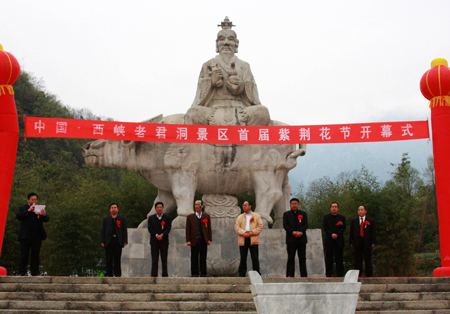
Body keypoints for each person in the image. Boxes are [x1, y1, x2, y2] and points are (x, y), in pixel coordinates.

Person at [185, 17, 270, 126]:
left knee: (262, 112)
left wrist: (242, 86)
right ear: (217, 44)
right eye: (222, 39)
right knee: (192, 113)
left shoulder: (244, 66)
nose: (226, 43)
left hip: (240, 111)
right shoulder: (208, 65)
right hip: (213, 109)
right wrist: (210, 83)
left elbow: (254, 99)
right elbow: (198, 100)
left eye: (230, 39)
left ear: (236, 44)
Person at [16, 192, 49, 276]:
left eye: (35, 199)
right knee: (24, 254)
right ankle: (22, 272)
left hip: (37, 235)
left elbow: (46, 219)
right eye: (32, 199)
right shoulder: (23, 208)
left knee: (35, 254)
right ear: (28, 200)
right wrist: (28, 210)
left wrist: (44, 215)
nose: (34, 201)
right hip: (25, 235)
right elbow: (19, 216)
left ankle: (35, 272)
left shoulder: (39, 208)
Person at [234, 200, 263, 277]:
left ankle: (257, 273)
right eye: (243, 205)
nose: (244, 206)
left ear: (250, 206)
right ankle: (242, 273)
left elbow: (260, 227)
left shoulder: (256, 216)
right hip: (243, 238)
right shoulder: (240, 217)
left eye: (245, 205)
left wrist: (252, 233)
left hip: (253, 238)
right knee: (243, 257)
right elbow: (237, 227)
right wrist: (244, 233)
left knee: (255, 257)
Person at [100, 203, 128, 277]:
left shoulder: (122, 219)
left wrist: (125, 240)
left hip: (118, 241)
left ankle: (117, 274)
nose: (113, 209)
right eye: (112, 208)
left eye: (115, 207)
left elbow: (124, 230)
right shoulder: (106, 219)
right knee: (108, 258)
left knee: (117, 258)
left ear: (117, 209)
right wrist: (102, 241)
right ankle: (109, 273)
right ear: (110, 210)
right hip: (109, 241)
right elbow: (103, 231)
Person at [186, 200, 212, 277]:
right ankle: (194, 273)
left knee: (203, 257)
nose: (197, 206)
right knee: (194, 257)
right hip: (194, 239)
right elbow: (188, 229)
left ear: (202, 206)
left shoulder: (206, 216)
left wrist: (209, 239)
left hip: (203, 239)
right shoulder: (190, 217)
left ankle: (203, 273)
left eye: (198, 204)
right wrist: (188, 240)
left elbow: (209, 229)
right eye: (195, 204)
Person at [283, 198, 308, 277]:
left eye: (296, 203)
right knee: (291, 257)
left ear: (298, 204)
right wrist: (292, 232)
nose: (294, 205)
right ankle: (290, 274)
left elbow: (305, 224)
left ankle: (303, 275)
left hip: (301, 239)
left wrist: (301, 232)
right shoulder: (286, 214)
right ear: (290, 205)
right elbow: (285, 225)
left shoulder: (303, 214)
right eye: (292, 203)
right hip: (291, 239)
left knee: (302, 258)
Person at [349, 205, 376, 277]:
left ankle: (369, 274)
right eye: (359, 210)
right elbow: (351, 232)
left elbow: (373, 232)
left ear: (365, 211)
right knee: (357, 259)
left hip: (367, 242)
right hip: (357, 242)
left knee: (368, 259)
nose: (360, 211)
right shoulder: (354, 221)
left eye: (362, 210)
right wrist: (351, 242)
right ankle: (357, 275)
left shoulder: (370, 221)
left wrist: (373, 242)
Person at [148, 202, 172, 277]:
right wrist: (156, 235)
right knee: (154, 259)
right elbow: (150, 228)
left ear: (163, 208)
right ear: (155, 209)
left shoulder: (167, 218)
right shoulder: (151, 218)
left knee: (164, 258)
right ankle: (154, 275)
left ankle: (165, 274)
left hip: (164, 240)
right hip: (154, 241)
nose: (159, 209)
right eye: (158, 207)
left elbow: (168, 228)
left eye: (161, 207)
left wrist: (162, 235)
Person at [322, 202, 346, 277]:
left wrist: (337, 234)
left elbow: (343, 228)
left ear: (338, 208)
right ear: (330, 208)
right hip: (329, 240)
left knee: (339, 258)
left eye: (335, 207)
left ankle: (340, 274)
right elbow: (325, 227)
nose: (334, 208)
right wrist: (331, 234)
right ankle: (328, 274)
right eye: (332, 206)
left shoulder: (342, 218)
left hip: (339, 241)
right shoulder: (326, 217)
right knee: (329, 258)